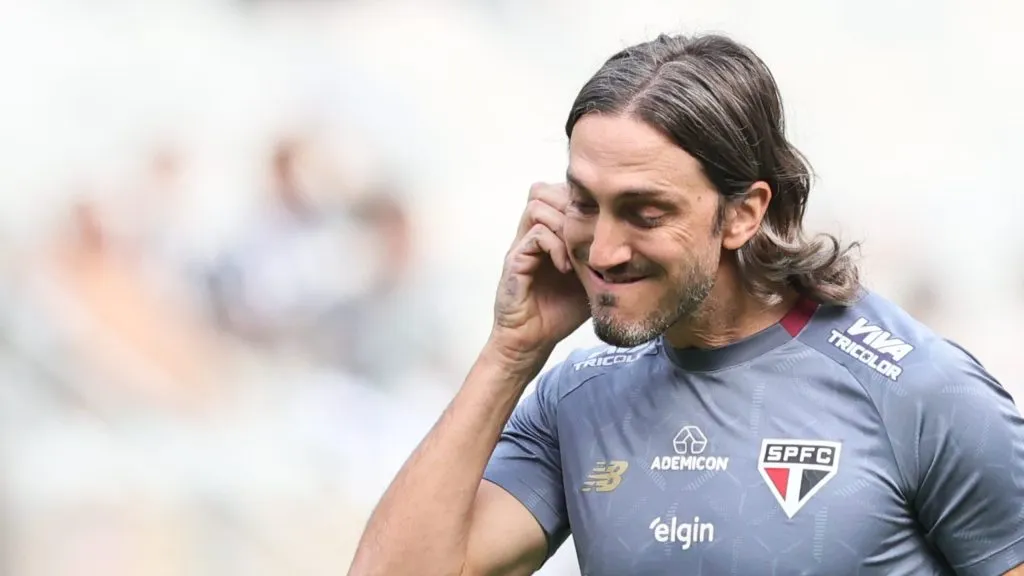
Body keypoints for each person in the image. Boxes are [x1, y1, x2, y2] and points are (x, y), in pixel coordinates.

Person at [347, 33, 1024, 576]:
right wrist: (510, 352)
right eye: (585, 203)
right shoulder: (574, 401)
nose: (603, 250)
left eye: (644, 212)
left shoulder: (918, 391)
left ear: (742, 215)